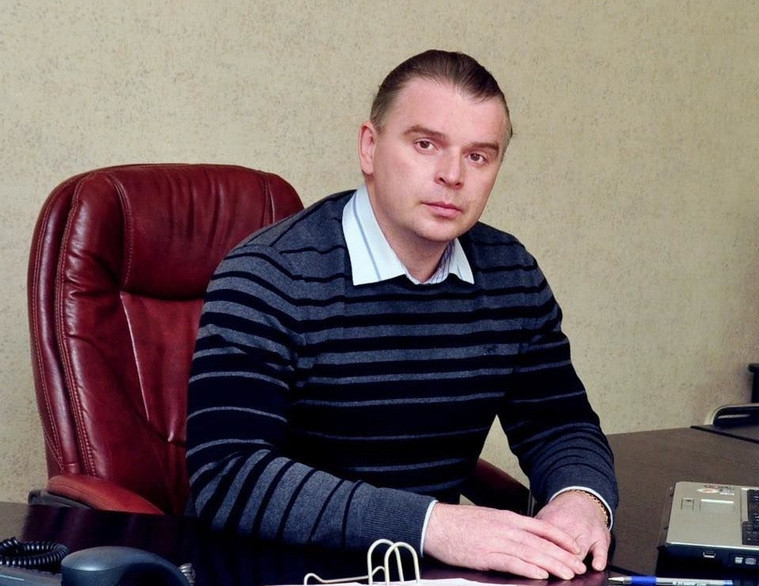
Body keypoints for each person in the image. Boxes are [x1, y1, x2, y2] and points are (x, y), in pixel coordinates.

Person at [186, 49, 618, 580]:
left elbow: (559, 423)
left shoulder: (510, 274)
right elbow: (229, 475)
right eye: (425, 144)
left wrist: (581, 499)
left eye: (478, 156)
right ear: (369, 147)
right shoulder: (269, 275)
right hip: (282, 572)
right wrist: (432, 525)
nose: (452, 175)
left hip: (431, 575)